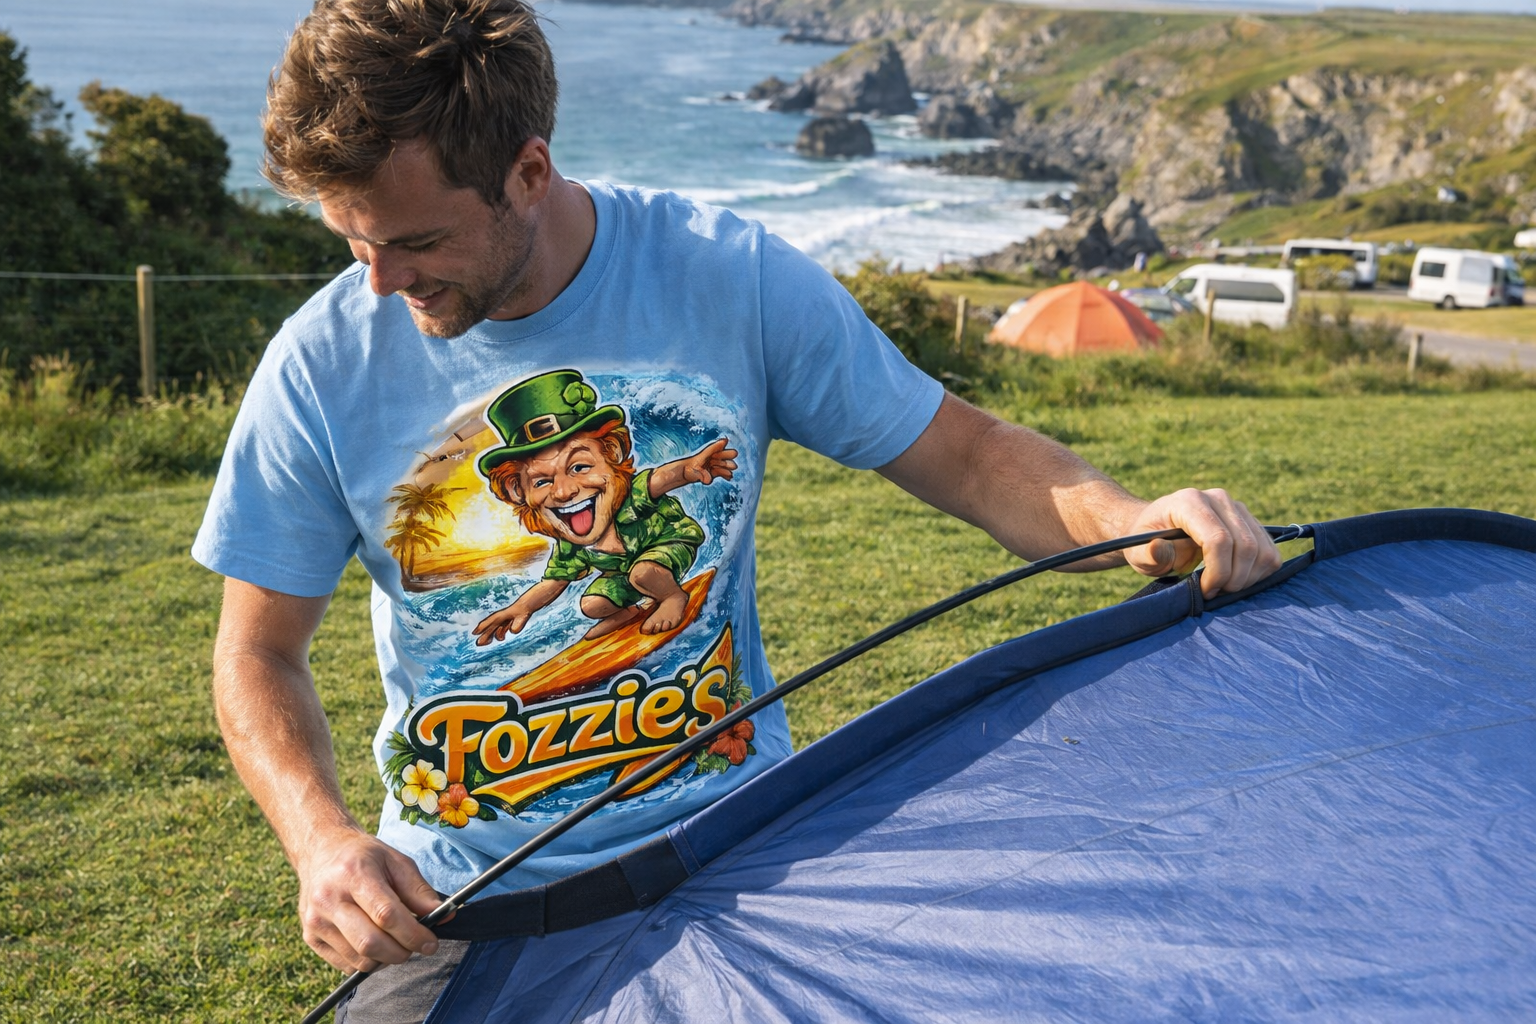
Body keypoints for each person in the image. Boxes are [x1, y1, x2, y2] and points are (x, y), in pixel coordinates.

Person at [194, 1, 1282, 1019]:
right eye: (353, 240)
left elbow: (967, 454)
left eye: (417, 242)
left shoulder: (727, 275)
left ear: (528, 171)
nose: (381, 282)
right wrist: (320, 842)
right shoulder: (320, 364)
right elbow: (256, 652)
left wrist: (1132, 521)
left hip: (736, 856)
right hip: (460, 904)